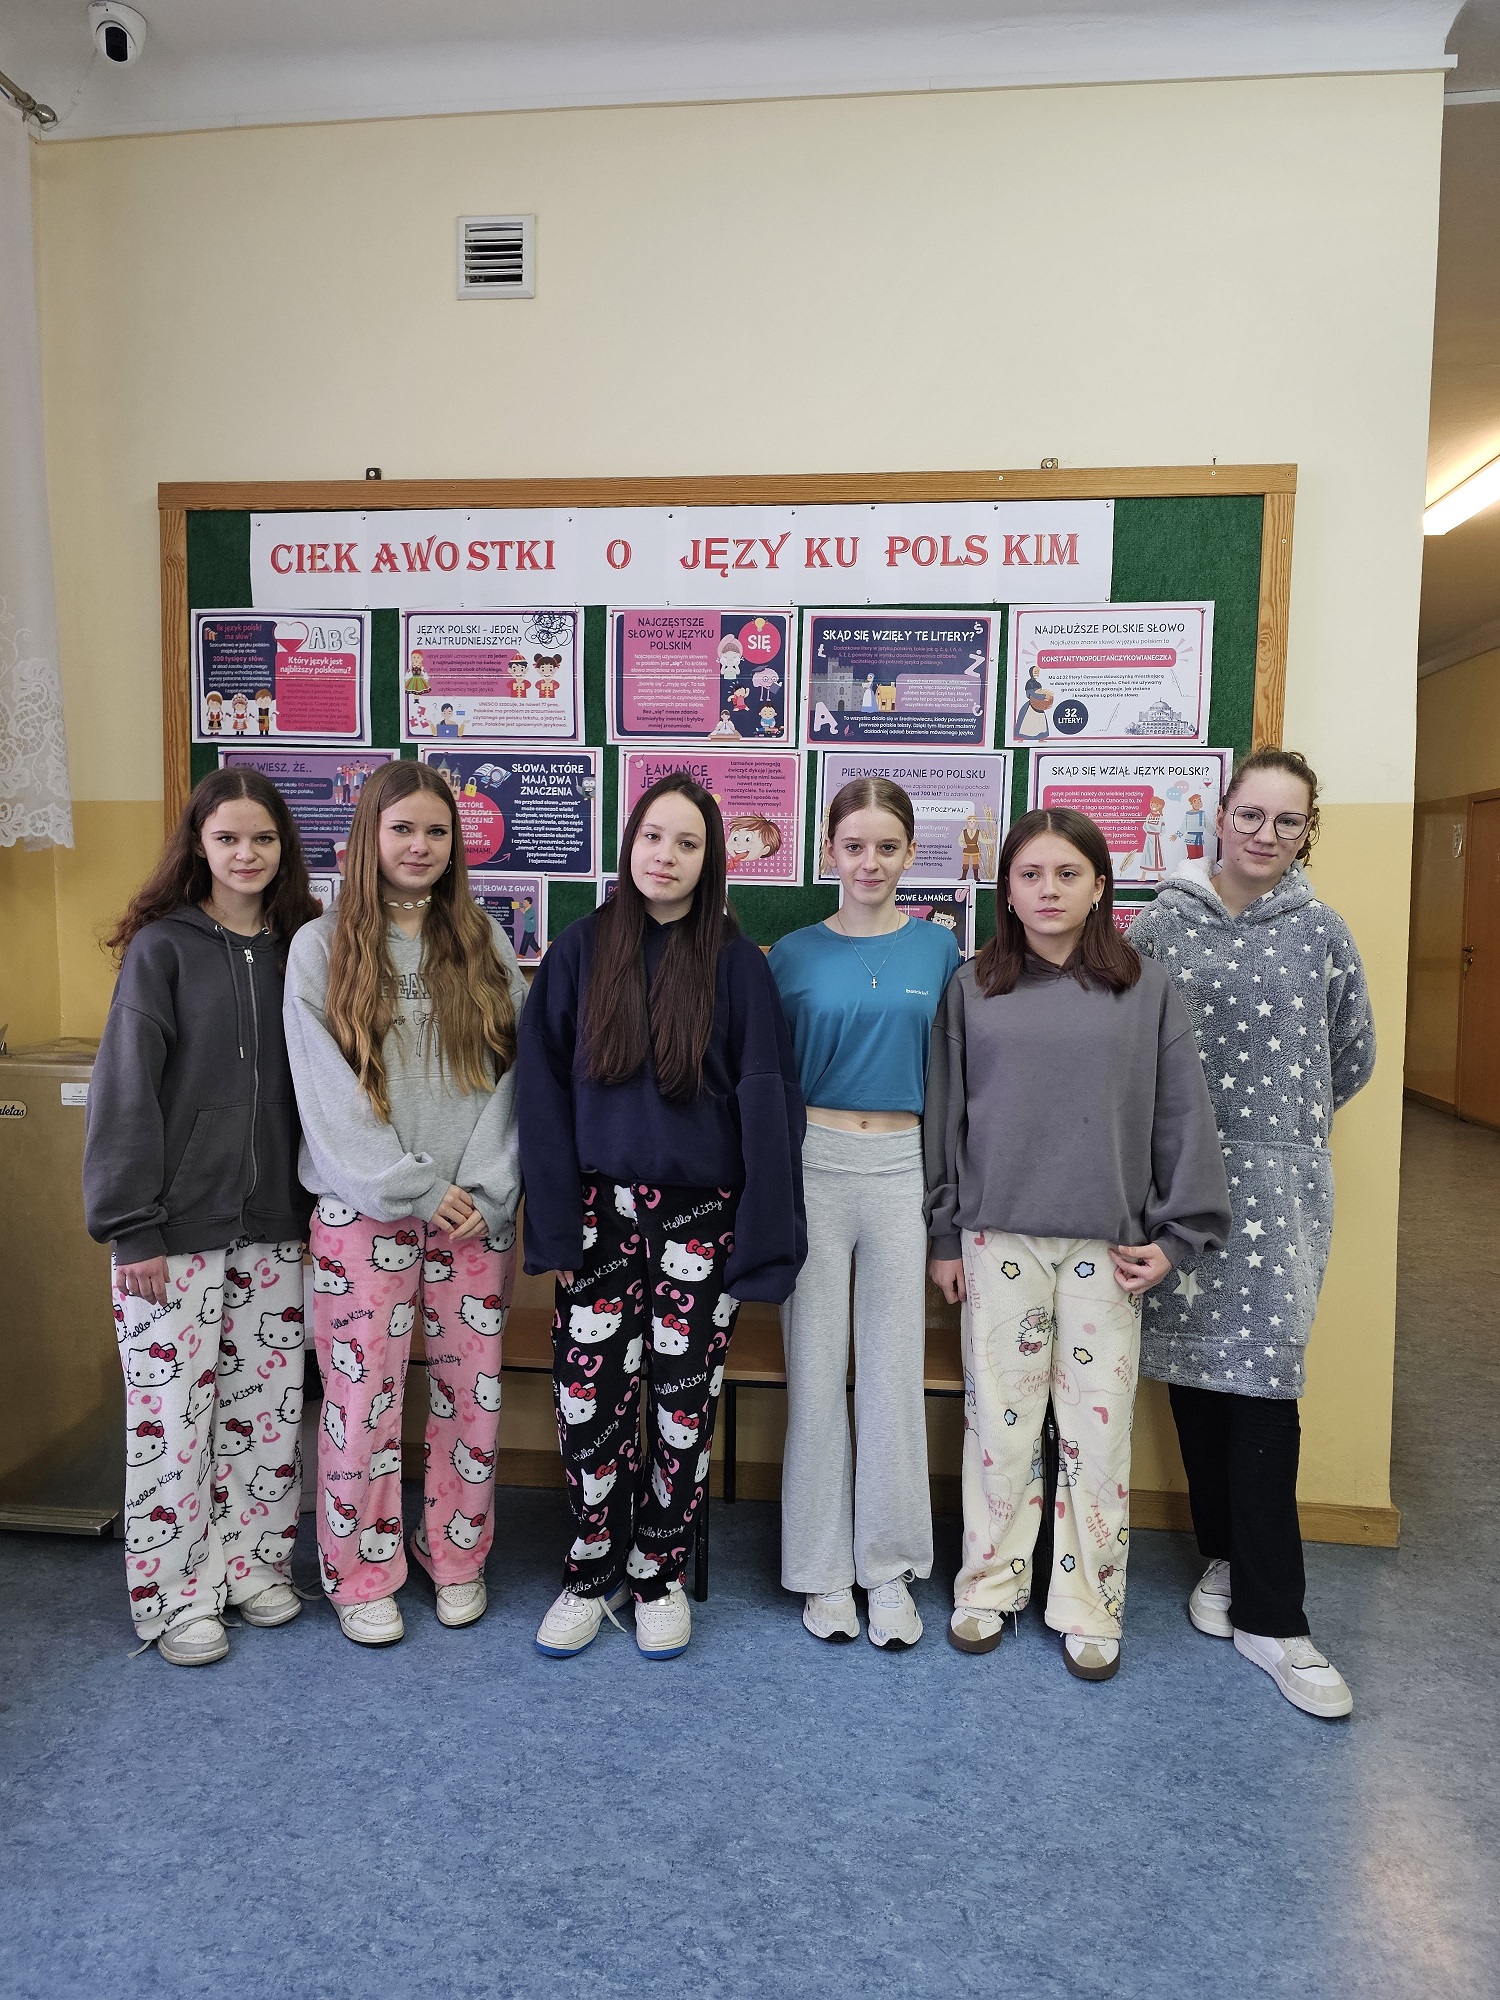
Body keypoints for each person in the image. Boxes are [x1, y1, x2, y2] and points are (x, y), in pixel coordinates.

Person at [925, 808, 1230, 1680]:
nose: (1048, 890)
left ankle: (1090, 1602)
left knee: (1096, 1438)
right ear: (1007, 890)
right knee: (1000, 1426)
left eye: (1067, 873)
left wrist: (1179, 1235)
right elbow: (946, 1116)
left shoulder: (1145, 988)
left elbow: (1181, 1114)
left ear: (1100, 885)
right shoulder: (972, 986)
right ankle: (989, 1584)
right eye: (1030, 874)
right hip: (997, 1239)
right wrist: (944, 1232)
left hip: (1110, 1246)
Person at [518, 772, 806, 1661]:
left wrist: (764, 1242)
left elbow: (769, 1105)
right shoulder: (579, 949)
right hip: (597, 1218)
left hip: (701, 1222)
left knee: (683, 1409)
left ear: (710, 859)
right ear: (630, 843)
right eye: (653, 837)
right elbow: (541, 1095)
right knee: (588, 1406)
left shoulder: (737, 964)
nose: (666, 857)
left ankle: (657, 1572)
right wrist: (555, 1226)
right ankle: (590, 1569)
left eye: (687, 843)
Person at [1128, 747, 1375, 1718]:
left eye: (1289, 819)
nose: (1266, 833)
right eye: (1252, 814)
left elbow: (1350, 1053)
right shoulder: (1159, 925)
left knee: (1266, 1387)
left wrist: (1281, 1132)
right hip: (1179, 1187)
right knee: (1195, 1378)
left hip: (1279, 1194)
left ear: (1309, 831)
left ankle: (1275, 1619)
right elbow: (1124, 1046)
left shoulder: (1323, 932)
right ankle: (1225, 1557)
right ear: (1220, 816)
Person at [283, 762, 527, 1647]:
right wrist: (417, 1187)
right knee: (363, 1400)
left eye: (436, 831)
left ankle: (456, 1554)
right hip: (366, 1215)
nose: (420, 846)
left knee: (472, 1400)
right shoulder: (320, 947)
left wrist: (486, 1187)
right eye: (402, 829)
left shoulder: (483, 939)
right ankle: (361, 1571)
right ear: (369, 838)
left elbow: (521, 1074)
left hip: (473, 1218)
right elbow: (326, 1096)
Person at [84, 769, 321, 1666]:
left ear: (283, 848)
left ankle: (254, 1566)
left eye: (262, 839)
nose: (246, 854)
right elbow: (124, 1092)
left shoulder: (305, 947)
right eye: (227, 839)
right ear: (198, 846)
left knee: (265, 1415)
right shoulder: (163, 950)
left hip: (276, 1226)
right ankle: (176, 1596)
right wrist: (131, 1226)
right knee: (173, 1419)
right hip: (169, 1233)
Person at [769, 779, 960, 1649]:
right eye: (854, 846)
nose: (870, 863)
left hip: (900, 1170)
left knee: (891, 1378)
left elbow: (956, 1082)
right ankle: (819, 1572)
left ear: (910, 853)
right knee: (814, 1377)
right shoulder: (791, 955)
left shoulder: (940, 950)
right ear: (829, 852)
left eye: (887, 847)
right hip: (813, 1164)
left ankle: (888, 1568)